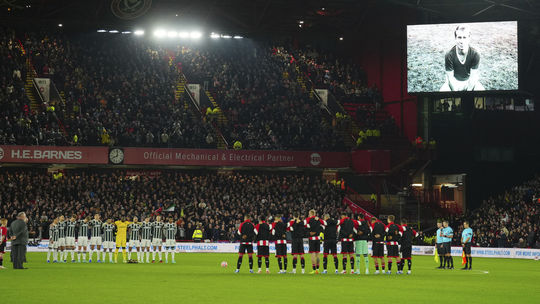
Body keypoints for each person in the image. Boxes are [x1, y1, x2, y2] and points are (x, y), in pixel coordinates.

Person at [440, 25, 485, 92]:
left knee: (481, 91)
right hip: (455, 81)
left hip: (468, 81)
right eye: (459, 37)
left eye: (464, 37)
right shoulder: (449, 54)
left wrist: (468, 93)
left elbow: (472, 77)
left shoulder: (475, 54)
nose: (462, 41)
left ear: (469, 38)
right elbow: (450, 78)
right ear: (455, 38)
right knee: (442, 92)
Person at [304, 209, 325, 274]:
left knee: (312, 254)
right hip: (318, 238)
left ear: (311, 214)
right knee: (318, 254)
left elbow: (303, 224)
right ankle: (318, 269)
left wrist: (308, 230)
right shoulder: (318, 219)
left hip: (312, 239)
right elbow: (325, 224)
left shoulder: (308, 219)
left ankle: (313, 269)